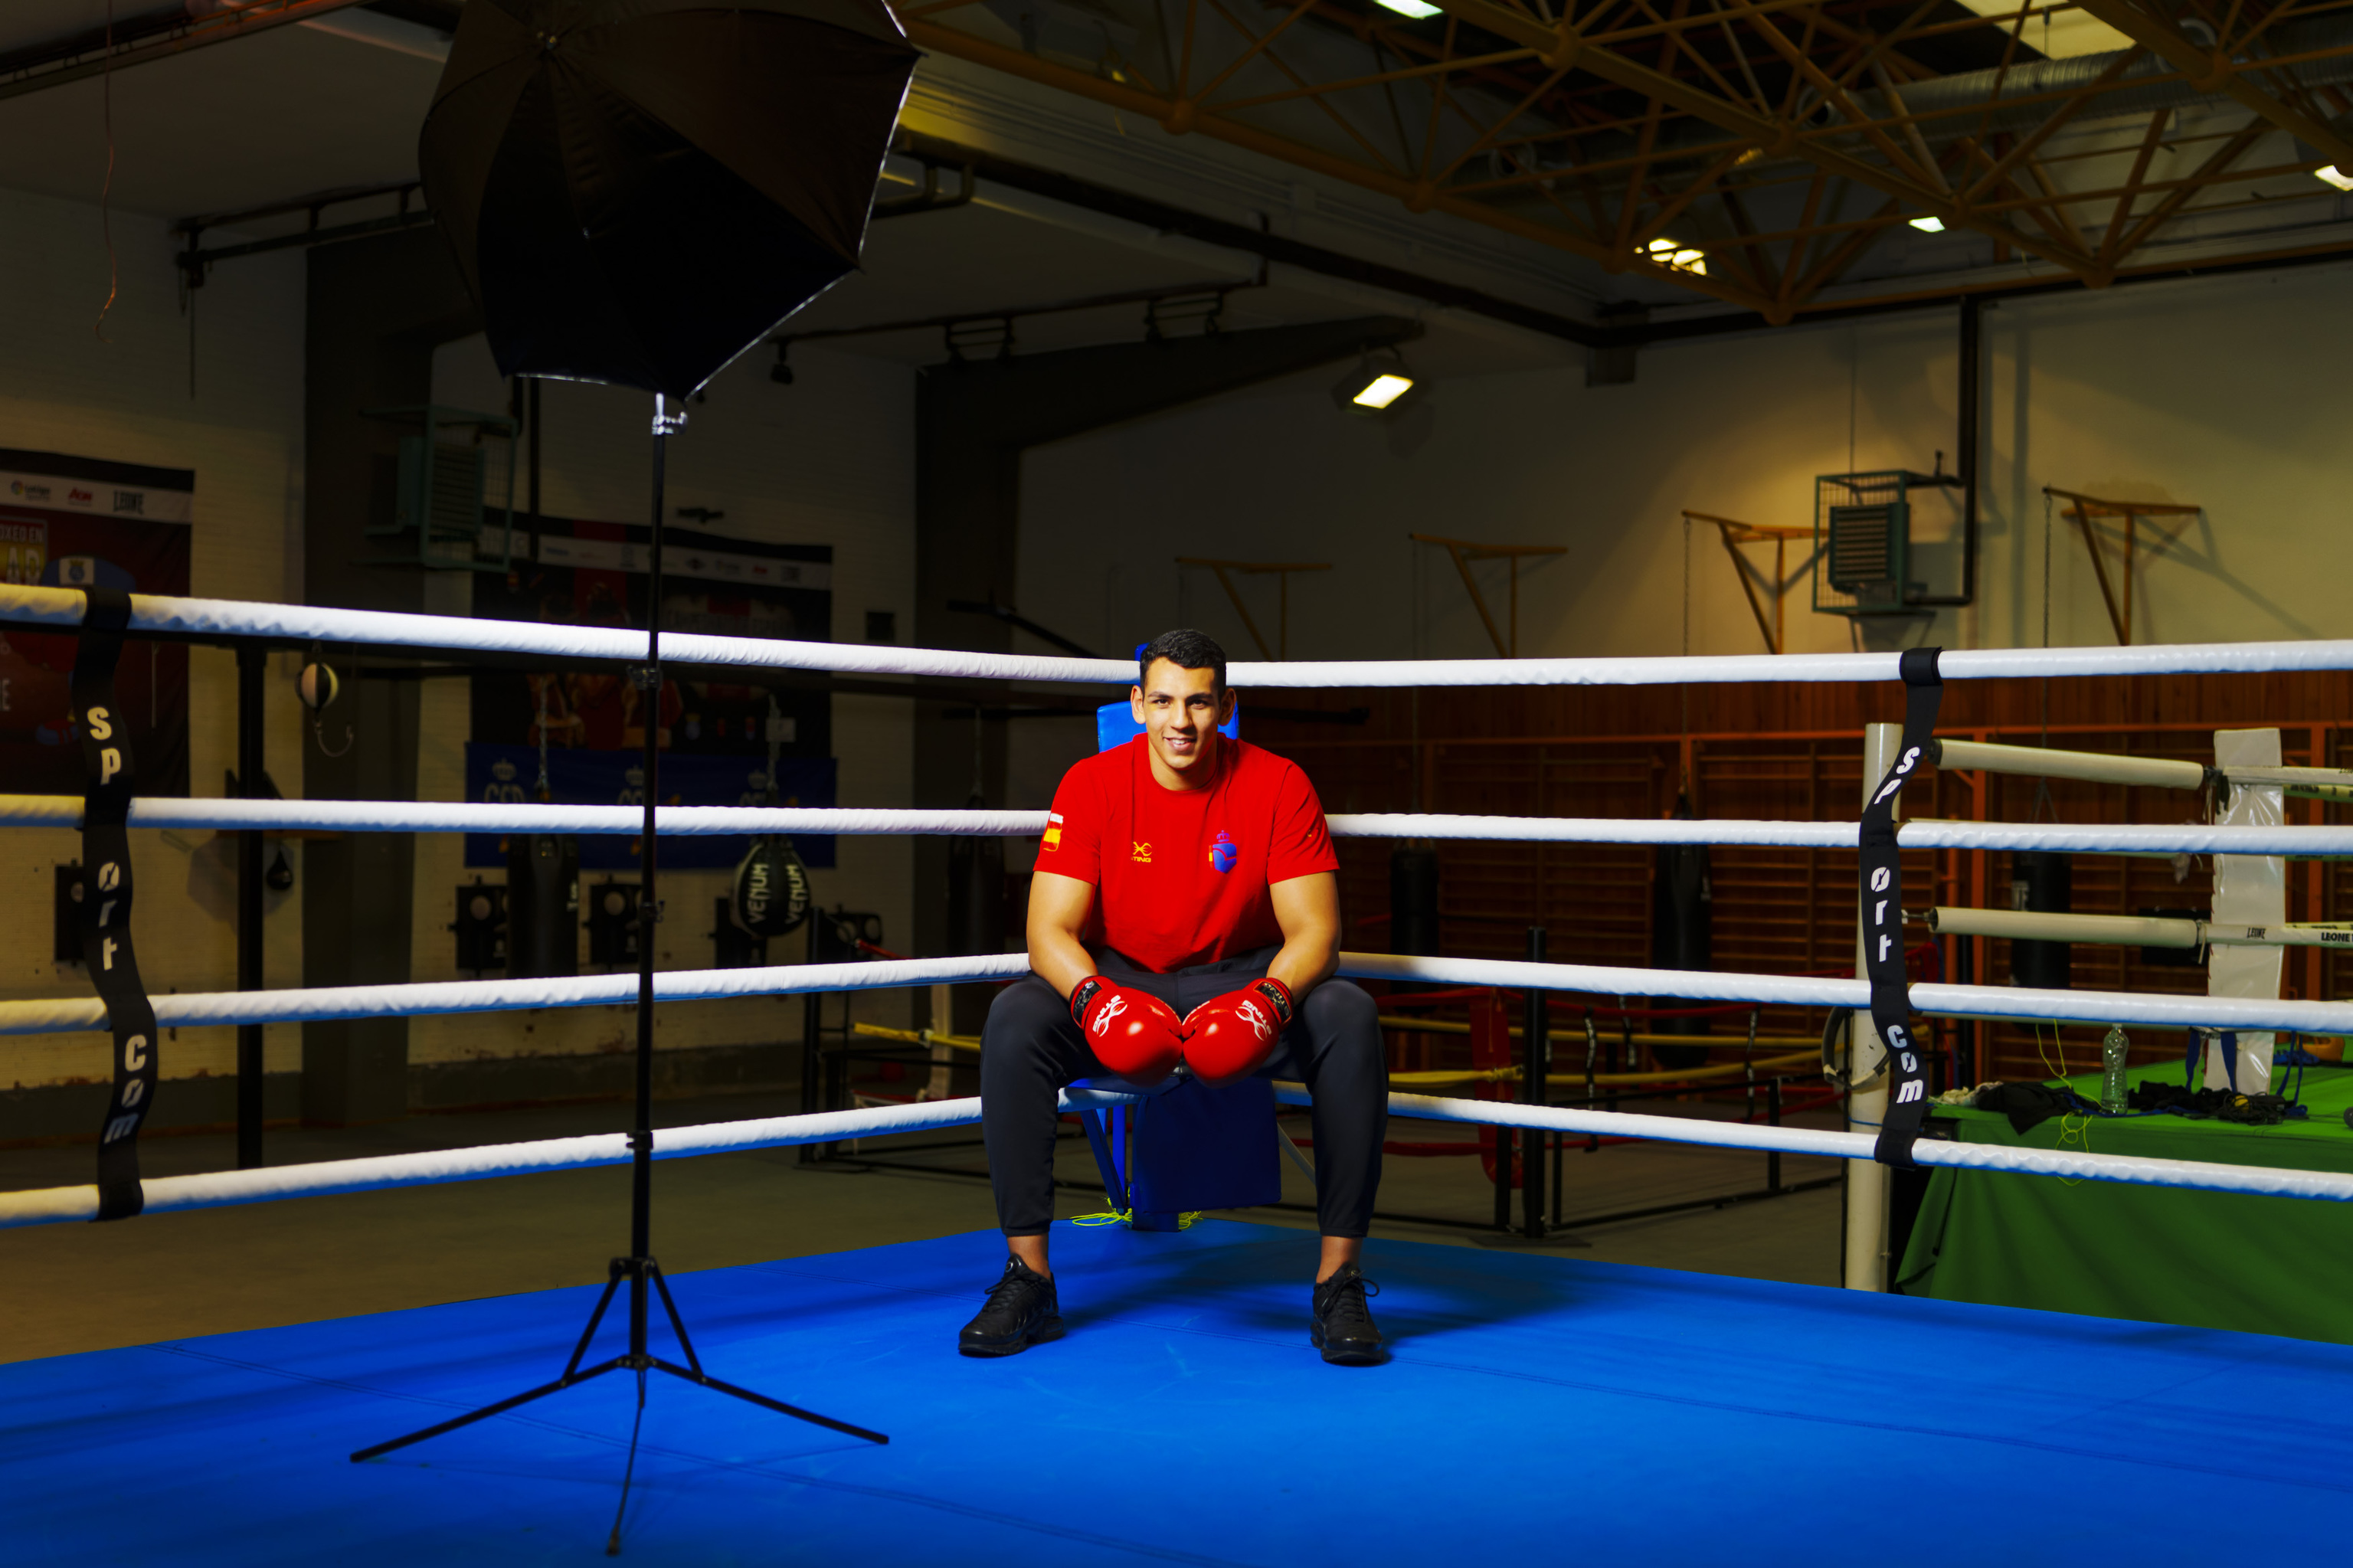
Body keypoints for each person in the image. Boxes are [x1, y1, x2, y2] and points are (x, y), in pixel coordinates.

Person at [959, 629, 1390, 1364]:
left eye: (1197, 702)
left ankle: (1338, 1280)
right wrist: (1096, 998)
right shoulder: (1091, 783)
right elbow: (1048, 931)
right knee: (1015, 1018)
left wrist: (1269, 1001)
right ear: (1137, 704)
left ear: (1225, 705)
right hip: (1125, 974)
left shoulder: (1279, 782)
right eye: (1162, 700)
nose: (1180, 721)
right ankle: (1028, 1275)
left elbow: (1317, 931)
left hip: (1245, 972)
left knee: (1349, 1014)